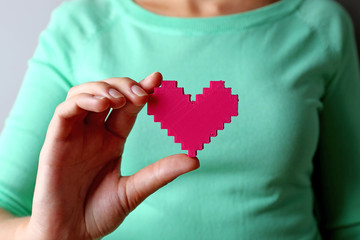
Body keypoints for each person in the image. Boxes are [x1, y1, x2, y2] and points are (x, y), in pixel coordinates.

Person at [0, 0, 359, 239]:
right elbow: (6, 203)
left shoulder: (318, 25)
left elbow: (350, 219)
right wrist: (44, 234)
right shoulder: (84, 25)